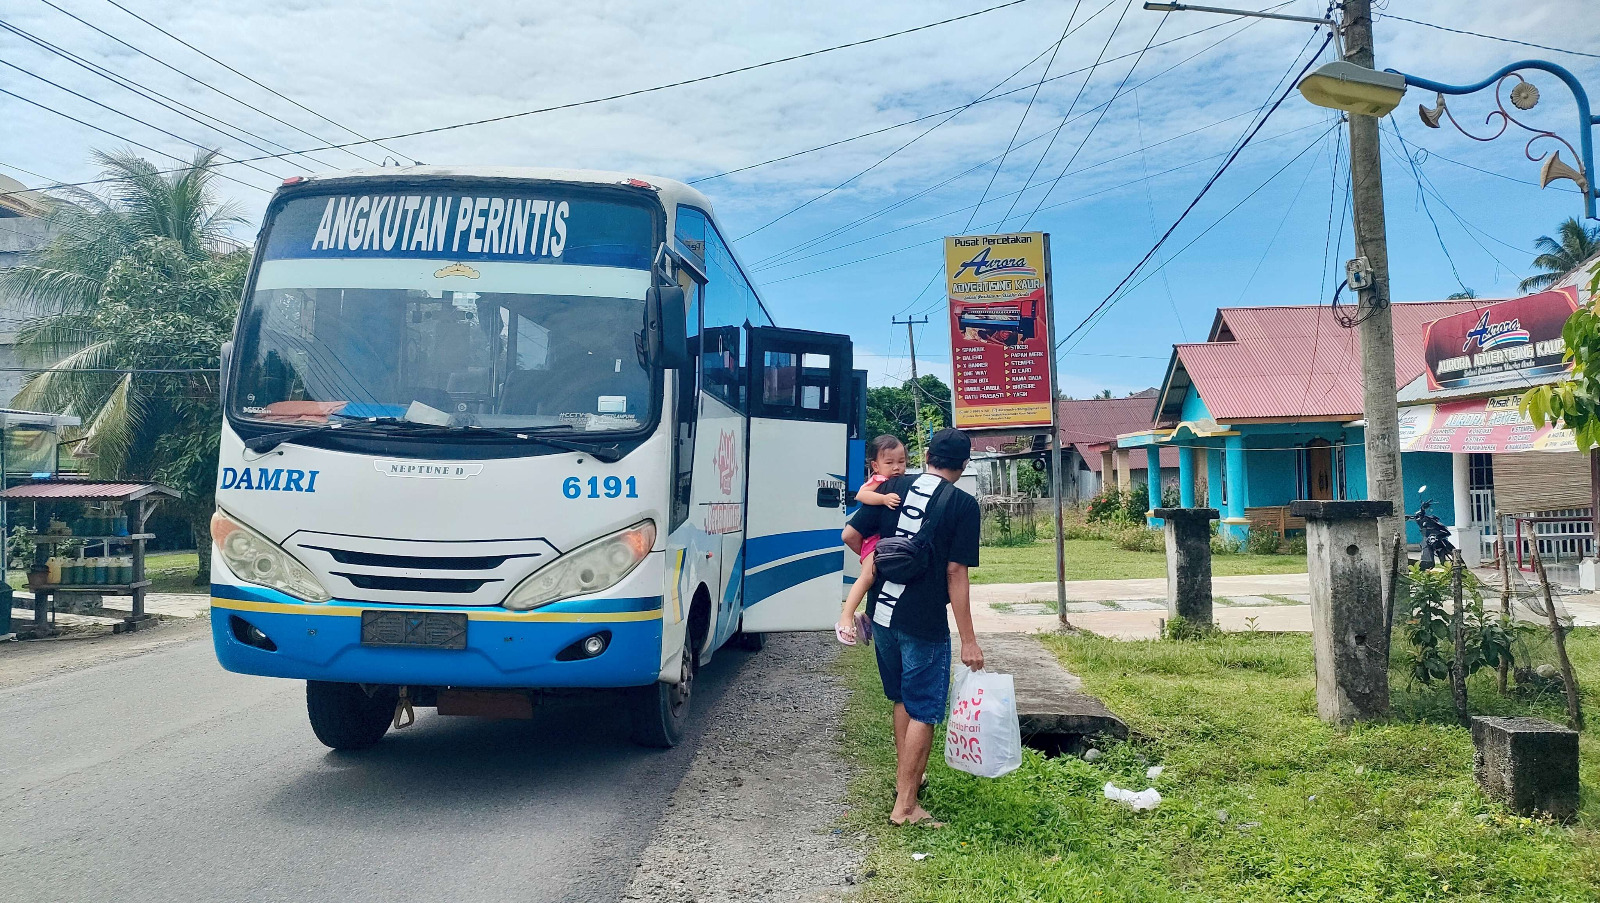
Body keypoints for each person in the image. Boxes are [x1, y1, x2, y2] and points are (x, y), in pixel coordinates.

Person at [841, 428, 982, 827]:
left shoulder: (893, 486)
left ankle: (910, 780)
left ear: (926, 455)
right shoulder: (962, 504)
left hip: (882, 614)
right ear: (964, 464)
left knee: (903, 699)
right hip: (923, 621)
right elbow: (956, 573)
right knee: (924, 708)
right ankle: (905, 806)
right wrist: (969, 641)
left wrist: (878, 563)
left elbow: (851, 534)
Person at [835, 434, 908, 646]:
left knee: (876, 580)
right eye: (889, 463)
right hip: (873, 541)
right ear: (876, 466)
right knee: (867, 576)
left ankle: (866, 618)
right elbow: (861, 495)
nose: (896, 467)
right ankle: (845, 617)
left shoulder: (896, 482)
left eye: (901, 462)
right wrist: (883, 499)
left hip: (879, 541)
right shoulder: (879, 481)